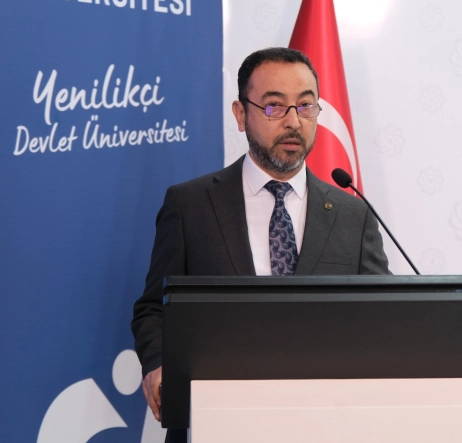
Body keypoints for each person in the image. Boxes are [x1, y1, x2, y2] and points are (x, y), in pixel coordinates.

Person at [131, 47, 390, 442]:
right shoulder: (190, 205)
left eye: (306, 106)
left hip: (326, 425)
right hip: (215, 421)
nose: (293, 122)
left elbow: (382, 316)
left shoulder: (353, 214)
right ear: (241, 114)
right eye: (274, 107)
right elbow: (153, 309)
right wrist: (158, 362)